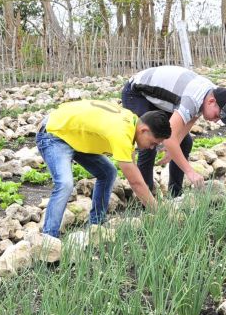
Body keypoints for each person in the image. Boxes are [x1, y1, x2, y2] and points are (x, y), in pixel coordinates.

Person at [36, 100, 172, 238]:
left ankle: (96, 225)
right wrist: (159, 213)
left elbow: (131, 162)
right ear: (144, 130)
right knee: (65, 184)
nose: (152, 148)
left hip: (75, 135)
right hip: (54, 134)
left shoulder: (132, 121)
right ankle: (49, 239)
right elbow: (135, 183)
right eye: (153, 143)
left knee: (108, 173)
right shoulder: (122, 132)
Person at [121, 65, 226, 197]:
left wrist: (173, 148)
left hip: (162, 101)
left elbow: (189, 121)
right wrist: (190, 172)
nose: (216, 120)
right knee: (149, 142)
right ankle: (146, 199)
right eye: (217, 115)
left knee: (185, 143)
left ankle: (175, 194)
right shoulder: (193, 99)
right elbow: (169, 139)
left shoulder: (210, 93)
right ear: (211, 102)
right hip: (137, 93)